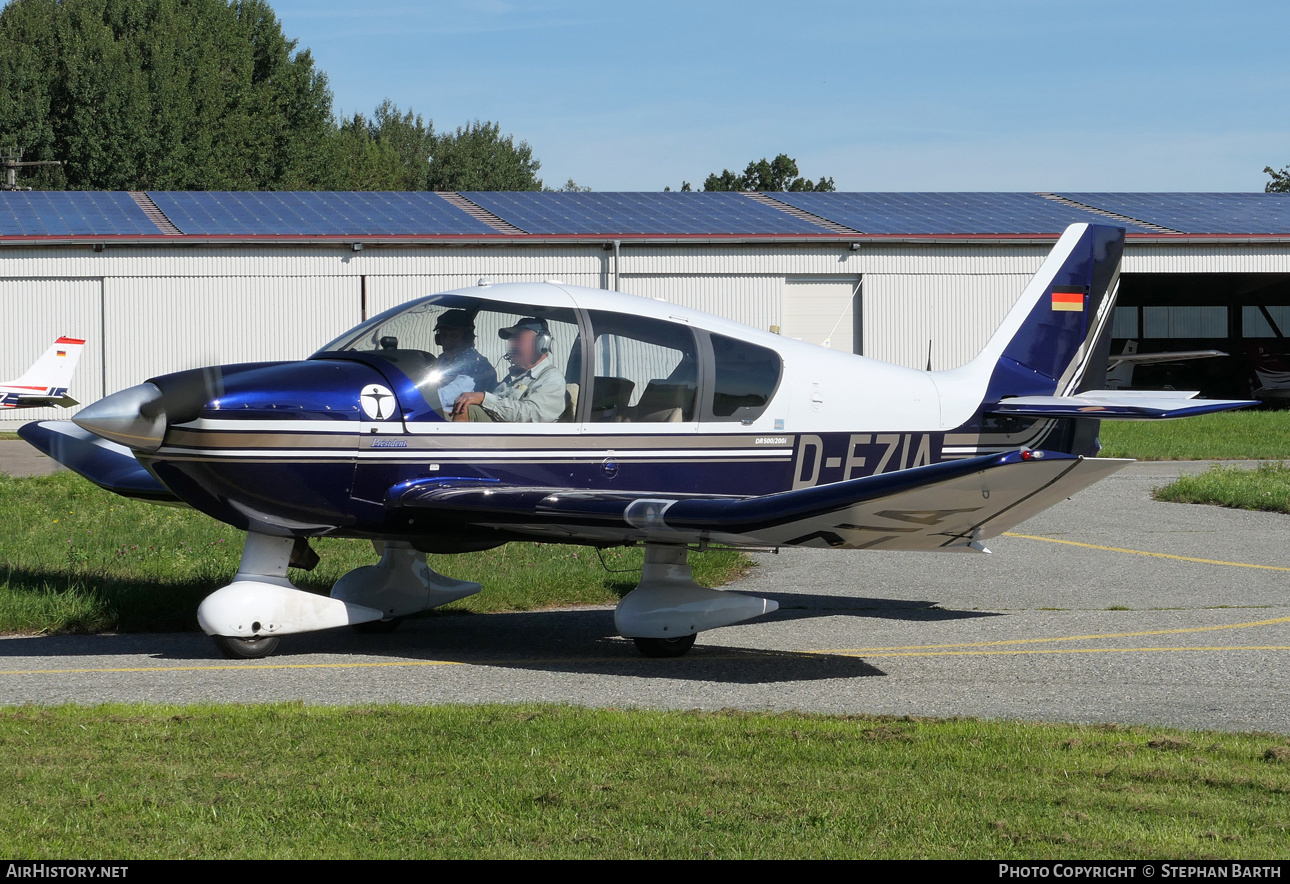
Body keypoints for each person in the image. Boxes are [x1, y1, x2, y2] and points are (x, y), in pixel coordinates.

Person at [452, 317, 566, 422]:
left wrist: (484, 398)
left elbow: (532, 415)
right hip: (497, 435)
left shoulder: (552, 378)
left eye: (518, 339)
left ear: (541, 344)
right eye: (511, 340)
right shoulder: (513, 376)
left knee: (467, 409)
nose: (511, 345)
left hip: (520, 440)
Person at [432, 310, 497, 412]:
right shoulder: (443, 360)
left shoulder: (476, 366)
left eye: (453, 335)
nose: (447, 340)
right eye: (443, 335)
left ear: (467, 337)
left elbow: (443, 398)